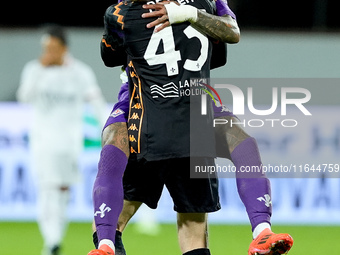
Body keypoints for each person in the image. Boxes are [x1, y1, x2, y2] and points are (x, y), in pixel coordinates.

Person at [90, 1, 294, 255]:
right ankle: (262, 229)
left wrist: (186, 16)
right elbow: (223, 46)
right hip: (155, 100)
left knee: (188, 219)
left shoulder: (125, 10)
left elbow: (110, 54)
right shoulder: (204, 2)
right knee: (237, 146)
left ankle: (262, 232)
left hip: (184, 105)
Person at [17, 25, 107, 255]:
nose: (49, 52)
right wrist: (40, 70)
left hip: (69, 144)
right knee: (47, 189)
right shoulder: (34, 69)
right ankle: (52, 240)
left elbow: (96, 104)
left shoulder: (80, 72)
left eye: (53, 48)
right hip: (43, 143)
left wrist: (108, 132)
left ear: (64, 48)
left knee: (63, 191)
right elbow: (24, 98)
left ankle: (55, 237)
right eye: (46, 48)